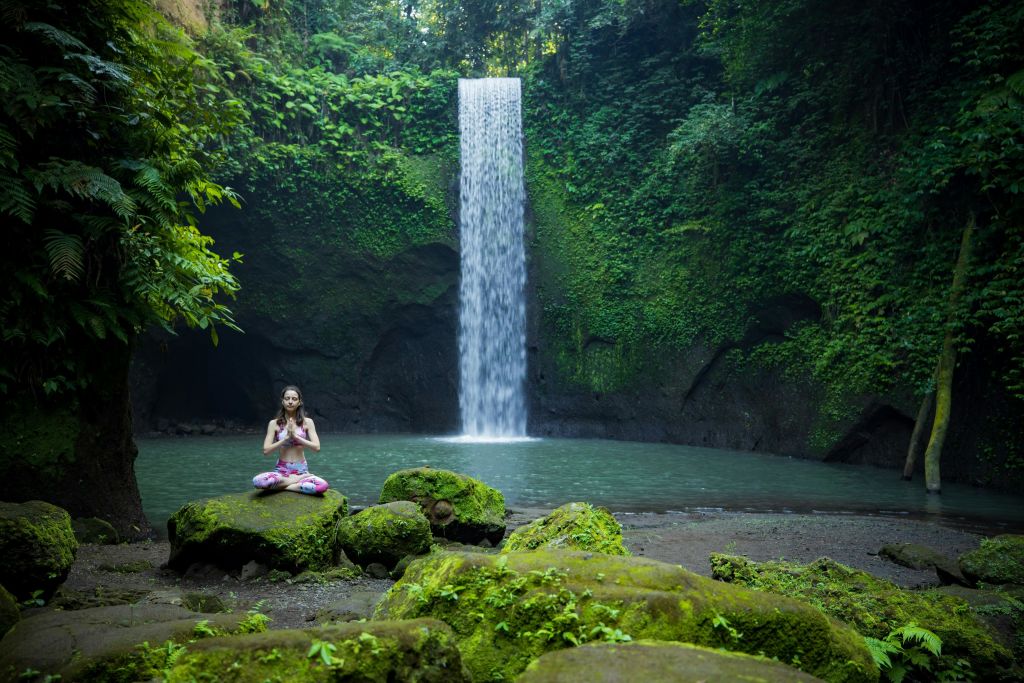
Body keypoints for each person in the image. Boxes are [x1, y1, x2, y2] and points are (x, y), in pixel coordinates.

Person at [252, 385, 328, 494]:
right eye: (287, 398)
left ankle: (283, 486)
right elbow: (266, 450)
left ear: (299, 402)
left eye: (294, 399)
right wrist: (286, 438)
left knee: (322, 486)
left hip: (302, 471)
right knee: (258, 481)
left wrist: (296, 437)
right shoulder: (274, 423)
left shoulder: (307, 422)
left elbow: (317, 447)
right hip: (281, 472)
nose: (290, 402)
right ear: (282, 401)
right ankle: (294, 482)